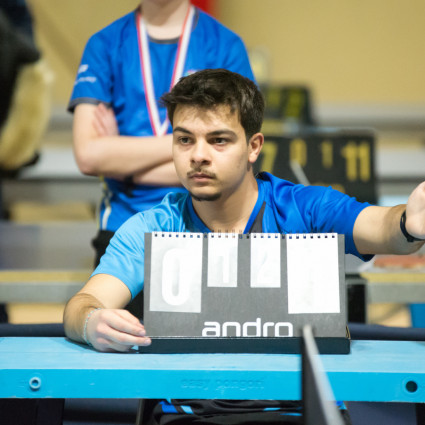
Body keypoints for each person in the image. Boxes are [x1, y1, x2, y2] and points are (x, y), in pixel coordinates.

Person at [64, 69, 425, 424]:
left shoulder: (305, 209)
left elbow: (382, 226)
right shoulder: (152, 227)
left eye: (218, 140)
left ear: (254, 147)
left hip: (300, 414)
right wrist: (92, 322)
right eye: (185, 139)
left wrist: (409, 223)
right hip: (185, 417)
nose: (198, 155)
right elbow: (83, 305)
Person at [68, 0, 255, 273]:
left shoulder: (225, 45)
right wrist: (198, 147)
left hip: (207, 227)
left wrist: (123, 165)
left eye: (188, 140)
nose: (194, 151)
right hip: (124, 229)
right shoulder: (104, 44)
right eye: (184, 139)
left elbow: (237, 157)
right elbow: (88, 156)